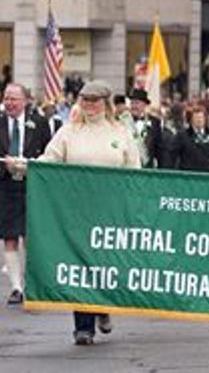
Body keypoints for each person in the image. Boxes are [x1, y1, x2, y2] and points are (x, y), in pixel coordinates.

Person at [38, 80, 141, 345]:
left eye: (94, 101)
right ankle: (83, 326)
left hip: (111, 210)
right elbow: (49, 161)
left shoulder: (120, 133)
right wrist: (25, 167)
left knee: (105, 263)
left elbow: (134, 171)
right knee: (80, 264)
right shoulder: (68, 132)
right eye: (85, 100)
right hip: (77, 210)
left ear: (106, 104)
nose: (89, 106)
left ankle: (103, 306)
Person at [0, 83, 51, 305]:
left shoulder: (39, 123)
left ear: (25, 101)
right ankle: (16, 287)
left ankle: (33, 284)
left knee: (32, 237)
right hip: (5, 185)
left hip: (32, 185)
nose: (9, 103)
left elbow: (50, 153)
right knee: (9, 236)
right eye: (6, 98)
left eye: (14, 99)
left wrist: (29, 165)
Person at [169, 103, 209, 173]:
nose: (199, 120)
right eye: (196, 118)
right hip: (188, 177)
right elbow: (171, 157)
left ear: (205, 119)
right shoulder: (182, 136)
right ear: (191, 119)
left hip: (208, 177)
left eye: (201, 117)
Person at [128, 88, 162, 168]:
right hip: (128, 168)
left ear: (144, 105)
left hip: (146, 169)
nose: (133, 106)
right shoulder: (123, 121)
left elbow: (159, 149)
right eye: (132, 103)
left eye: (137, 103)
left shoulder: (155, 122)